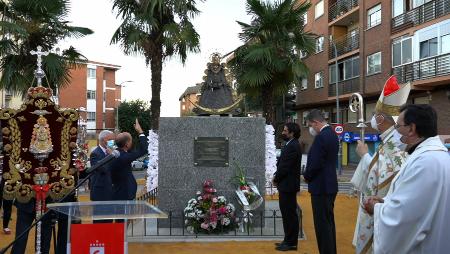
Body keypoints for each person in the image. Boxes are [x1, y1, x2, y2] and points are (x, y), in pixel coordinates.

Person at [364, 104, 450, 254]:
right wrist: (388, 201)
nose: (396, 132)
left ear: (411, 129)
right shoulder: (438, 155)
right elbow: (419, 204)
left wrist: (376, 209)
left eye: (398, 127)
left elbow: (404, 219)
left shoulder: (425, 162)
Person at [351, 76, 410, 253]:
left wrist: (364, 156)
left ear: (382, 119)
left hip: (382, 210)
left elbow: (386, 175)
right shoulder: (390, 140)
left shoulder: (395, 142)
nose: (373, 119)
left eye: (375, 115)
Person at [303, 109, 338, 254]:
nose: (310, 128)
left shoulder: (321, 137)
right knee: (328, 224)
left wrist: (306, 176)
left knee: (322, 226)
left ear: (316, 122)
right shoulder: (332, 134)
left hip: (321, 187)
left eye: (310, 125)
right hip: (330, 185)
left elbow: (315, 163)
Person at [272, 122, 302, 251]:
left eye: (285, 131)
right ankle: (287, 240)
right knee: (286, 214)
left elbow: (285, 167)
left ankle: (291, 243)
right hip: (286, 185)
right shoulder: (289, 144)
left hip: (288, 186)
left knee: (289, 215)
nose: (283, 132)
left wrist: (276, 178)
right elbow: (281, 164)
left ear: (292, 133)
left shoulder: (293, 146)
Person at [110, 119, 148, 201]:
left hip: (123, 195)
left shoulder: (119, 154)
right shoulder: (123, 157)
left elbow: (132, 150)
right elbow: (144, 150)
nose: (132, 142)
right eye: (131, 140)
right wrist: (140, 132)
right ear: (127, 144)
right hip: (123, 197)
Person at [89, 130, 115, 202]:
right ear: (104, 139)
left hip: (110, 191)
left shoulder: (110, 151)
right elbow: (103, 169)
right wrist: (110, 156)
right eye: (110, 139)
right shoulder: (95, 154)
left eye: (113, 139)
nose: (112, 142)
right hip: (100, 192)